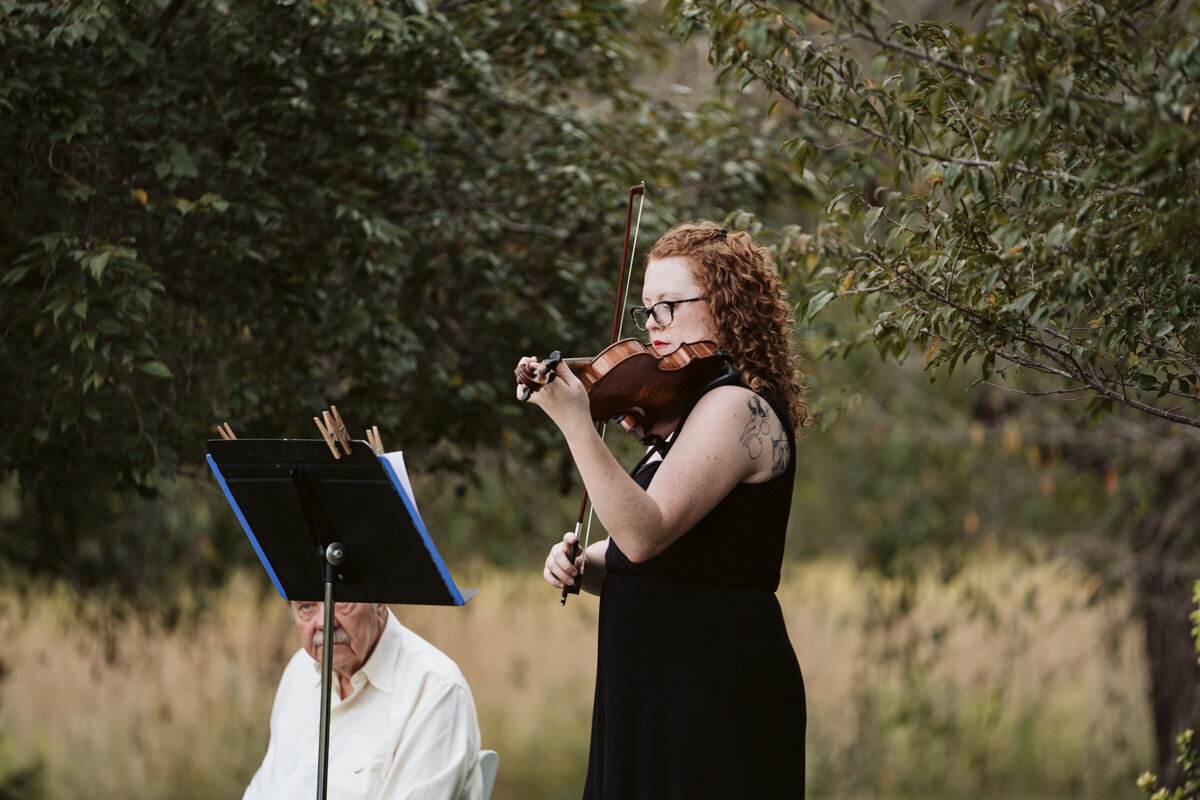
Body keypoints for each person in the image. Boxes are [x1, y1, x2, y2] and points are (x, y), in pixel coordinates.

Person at [516, 220, 810, 799]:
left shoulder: (737, 409)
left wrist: (578, 422)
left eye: (669, 307)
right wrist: (584, 565)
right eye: (646, 310)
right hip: (651, 689)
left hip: (713, 690)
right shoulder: (681, 416)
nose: (652, 328)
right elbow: (663, 559)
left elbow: (645, 534)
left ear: (725, 307)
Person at [243, 600, 484, 800]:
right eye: (306, 606)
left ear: (379, 603)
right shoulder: (300, 669)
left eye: (341, 602)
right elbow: (265, 788)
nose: (324, 622)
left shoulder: (435, 689)